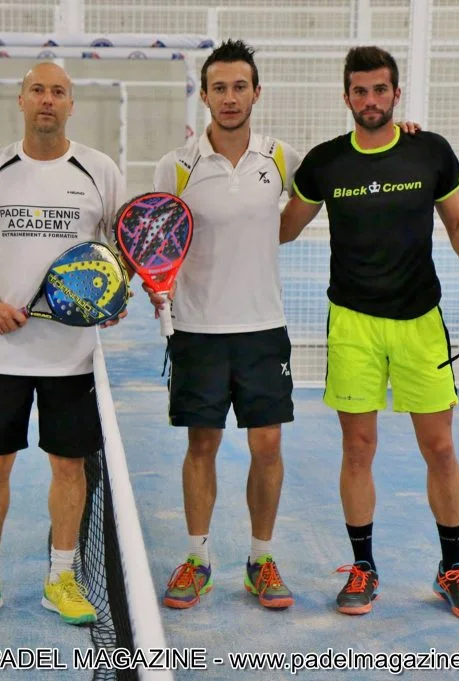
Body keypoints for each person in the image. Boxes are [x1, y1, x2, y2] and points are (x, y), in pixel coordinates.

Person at [280, 45, 459, 622]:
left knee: (440, 447)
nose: (370, 101)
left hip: (421, 320)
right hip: (352, 323)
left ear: (396, 94)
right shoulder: (325, 163)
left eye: (380, 90)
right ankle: (363, 567)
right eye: (359, 91)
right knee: (358, 447)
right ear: (346, 96)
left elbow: (457, 224)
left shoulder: (431, 151)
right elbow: (282, 229)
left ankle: (453, 568)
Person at [0, 62, 127, 628]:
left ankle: (63, 577)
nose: (47, 100)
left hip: (71, 355)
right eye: (38, 90)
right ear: (20, 101)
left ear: (72, 104)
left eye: (58, 92)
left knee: (68, 466)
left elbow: (122, 251)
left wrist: (112, 297)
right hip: (1, 354)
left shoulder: (100, 170)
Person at [145, 40, 301, 611]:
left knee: (268, 444)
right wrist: (155, 283)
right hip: (198, 328)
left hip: (263, 327)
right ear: (205, 95)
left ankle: (261, 558)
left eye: (240, 87)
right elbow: (155, 239)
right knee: (202, 443)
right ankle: (197, 557)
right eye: (219, 88)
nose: (230, 98)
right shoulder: (177, 165)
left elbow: (309, 206)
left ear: (256, 92)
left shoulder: (281, 157)